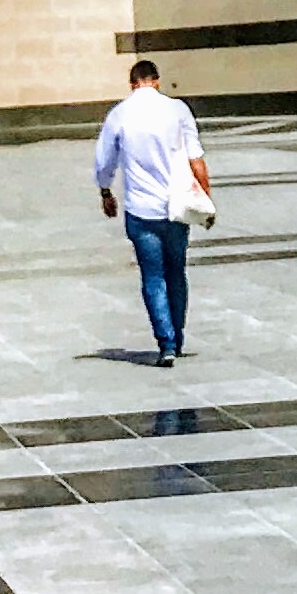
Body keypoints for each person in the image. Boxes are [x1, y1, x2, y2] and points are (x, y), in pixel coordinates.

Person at [92, 58, 211, 366]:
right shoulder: (177, 110)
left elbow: (105, 161)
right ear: (156, 80)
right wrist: (206, 201)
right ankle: (178, 335)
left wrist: (106, 191)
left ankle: (166, 343)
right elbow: (196, 158)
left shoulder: (119, 114)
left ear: (132, 83)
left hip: (141, 209)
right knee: (176, 272)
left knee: (153, 276)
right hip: (176, 207)